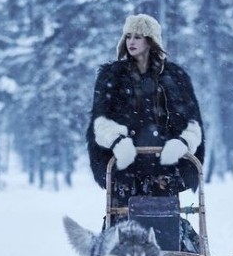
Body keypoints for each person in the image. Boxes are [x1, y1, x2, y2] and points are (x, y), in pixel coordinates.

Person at [86, 14, 205, 210]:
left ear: (151, 41)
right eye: (128, 36)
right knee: (123, 228)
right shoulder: (111, 76)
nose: (131, 41)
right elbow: (100, 121)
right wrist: (117, 141)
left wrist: (182, 143)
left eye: (138, 37)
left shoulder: (175, 77)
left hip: (164, 168)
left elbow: (193, 123)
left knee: (165, 225)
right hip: (124, 168)